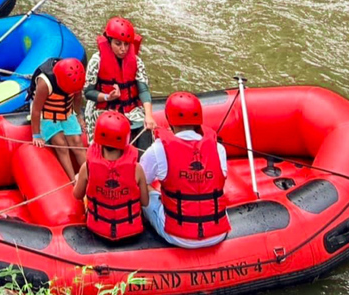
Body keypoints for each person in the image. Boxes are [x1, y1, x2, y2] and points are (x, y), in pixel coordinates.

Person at [140, 92, 230, 248]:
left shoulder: (158, 149)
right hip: (218, 233)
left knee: (144, 187)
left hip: (177, 236)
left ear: (169, 120)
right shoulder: (218, 148)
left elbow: (139, 181)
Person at [73, 111, 148, 242]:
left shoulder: (87, 167)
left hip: (98, 231)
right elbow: (145, 202)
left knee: (79, 179)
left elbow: (77, 195)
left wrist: (78, 179)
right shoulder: (137, 169)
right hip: (131, 233)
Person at [83, 17, 157, 148]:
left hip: (130, 109)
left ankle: (141, 164)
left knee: (146, 133)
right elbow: (88, 93)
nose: (123, 49)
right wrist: (107, 97)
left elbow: (143, 90)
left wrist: (149, 116)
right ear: (109, 42)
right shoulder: (96, 61)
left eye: (126, 44)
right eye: (118, 44)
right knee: (109, 134)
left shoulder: (136, 61)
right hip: (103, 108)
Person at [30, 57, 87, 180]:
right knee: (60, 143)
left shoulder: (76, 79)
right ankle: (73, 181)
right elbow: (36, 110)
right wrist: (36, 135)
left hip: (66, 110)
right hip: (46, 112)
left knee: (77, 141)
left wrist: (79, 116)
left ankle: (92, 178)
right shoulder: (45, 83)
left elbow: (77, 98)